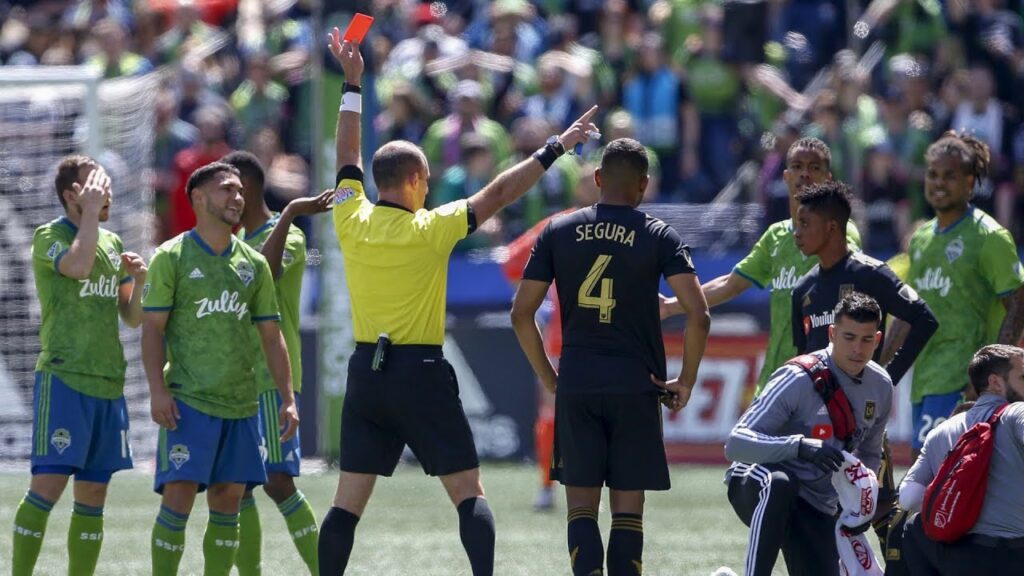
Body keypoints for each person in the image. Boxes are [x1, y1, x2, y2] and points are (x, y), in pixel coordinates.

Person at [316, 26, 599, 576]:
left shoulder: (349, 218)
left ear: (377, 181)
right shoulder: (433, 226)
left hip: (365, 372)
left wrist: (354, 84)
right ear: (419, 179)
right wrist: (557, 146)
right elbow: (498, 192)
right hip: (421, 370)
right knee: (469, 492)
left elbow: (346, 151)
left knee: (346, 502)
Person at [510, 137, 711, 575]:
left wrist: (550, 377)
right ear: (644, 186)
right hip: (637, 387)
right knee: (627, 514)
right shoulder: (660, 235)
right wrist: (686, 381)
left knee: (581, 509)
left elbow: (521, 314)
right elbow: (699, 314)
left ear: (598, 179)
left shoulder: (557, 231)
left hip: (578, 382)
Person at [141, 162, 299, 576]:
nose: (237, 198)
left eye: (241, 191)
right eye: (227, 189)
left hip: (242, 404)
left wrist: (287, 397)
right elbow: (153, 330)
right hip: (188, 402)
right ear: (198, 197)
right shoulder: (171, 256)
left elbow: (271, 335)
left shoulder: (253, 264)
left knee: (229, 498)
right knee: (178, 497)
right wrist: (157, 390)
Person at [12, 156, 147, 576]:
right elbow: (78, 266)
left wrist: (140, 283)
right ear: (71, 195)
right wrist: (90, 216)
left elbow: (132, 315)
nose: (105, 192)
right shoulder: (48, 236)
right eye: (95, 186)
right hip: (65, 378)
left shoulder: (109, 242)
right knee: (48, 489)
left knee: (93, 496)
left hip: (108, 384)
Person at [661, 137, 860, 397]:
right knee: (741, 439)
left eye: (814, 168)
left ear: (828, 179)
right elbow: (730, 284)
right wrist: (671, 306)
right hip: (775, 380)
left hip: (824, 380)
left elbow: (859, 280)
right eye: (798, 167)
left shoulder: (840, 232)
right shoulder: (775, 237)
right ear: (786, 176)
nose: (805, 174)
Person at [725, 292, 893, 576]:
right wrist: (800, 446)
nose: (857, 349)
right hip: (756, 483)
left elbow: (869, 454)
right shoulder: (797, 377)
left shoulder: (881, 386)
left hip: (816, 503)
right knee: (779, 484)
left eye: (866, 340)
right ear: (832, 333)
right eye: (849, 337)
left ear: (877, 340)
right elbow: (736, 444)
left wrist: (861, 503)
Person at [224, 151, 333, 575]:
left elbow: (262, 276)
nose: (225, 198)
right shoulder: (229, 245)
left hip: (273, 377)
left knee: (278, 481)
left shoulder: (289, 236)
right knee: (238, 486)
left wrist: (289, 213)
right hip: (234, 380)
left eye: (229, 189)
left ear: (246, 189)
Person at [904, 131, 1024, 453]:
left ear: (970, 182)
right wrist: (883, 372)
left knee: (939, 475)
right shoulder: (920, 239)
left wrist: (985, 376)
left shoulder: (989, 236)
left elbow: (1018, 306)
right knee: (926, 476)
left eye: (950, 176)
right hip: (924, 380)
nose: (939, 183)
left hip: (963, 381)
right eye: (932, 174)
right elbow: (909, 313)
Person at [791, 180, 938, 388]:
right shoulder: (802, 289)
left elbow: (926, 319)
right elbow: (802, 357)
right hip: (814, 409)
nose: (796, 232)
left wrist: (887, 379)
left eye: (805, 224)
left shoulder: (871, 274)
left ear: (831, 227)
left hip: (859, 412)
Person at [899, 344, 1024, 575]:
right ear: (996, 382)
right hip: (1015, 558)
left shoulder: (941, 430)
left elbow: (908, 499)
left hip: (960, 560)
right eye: (1023, 377)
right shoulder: (1018, 412)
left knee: (911, 528)